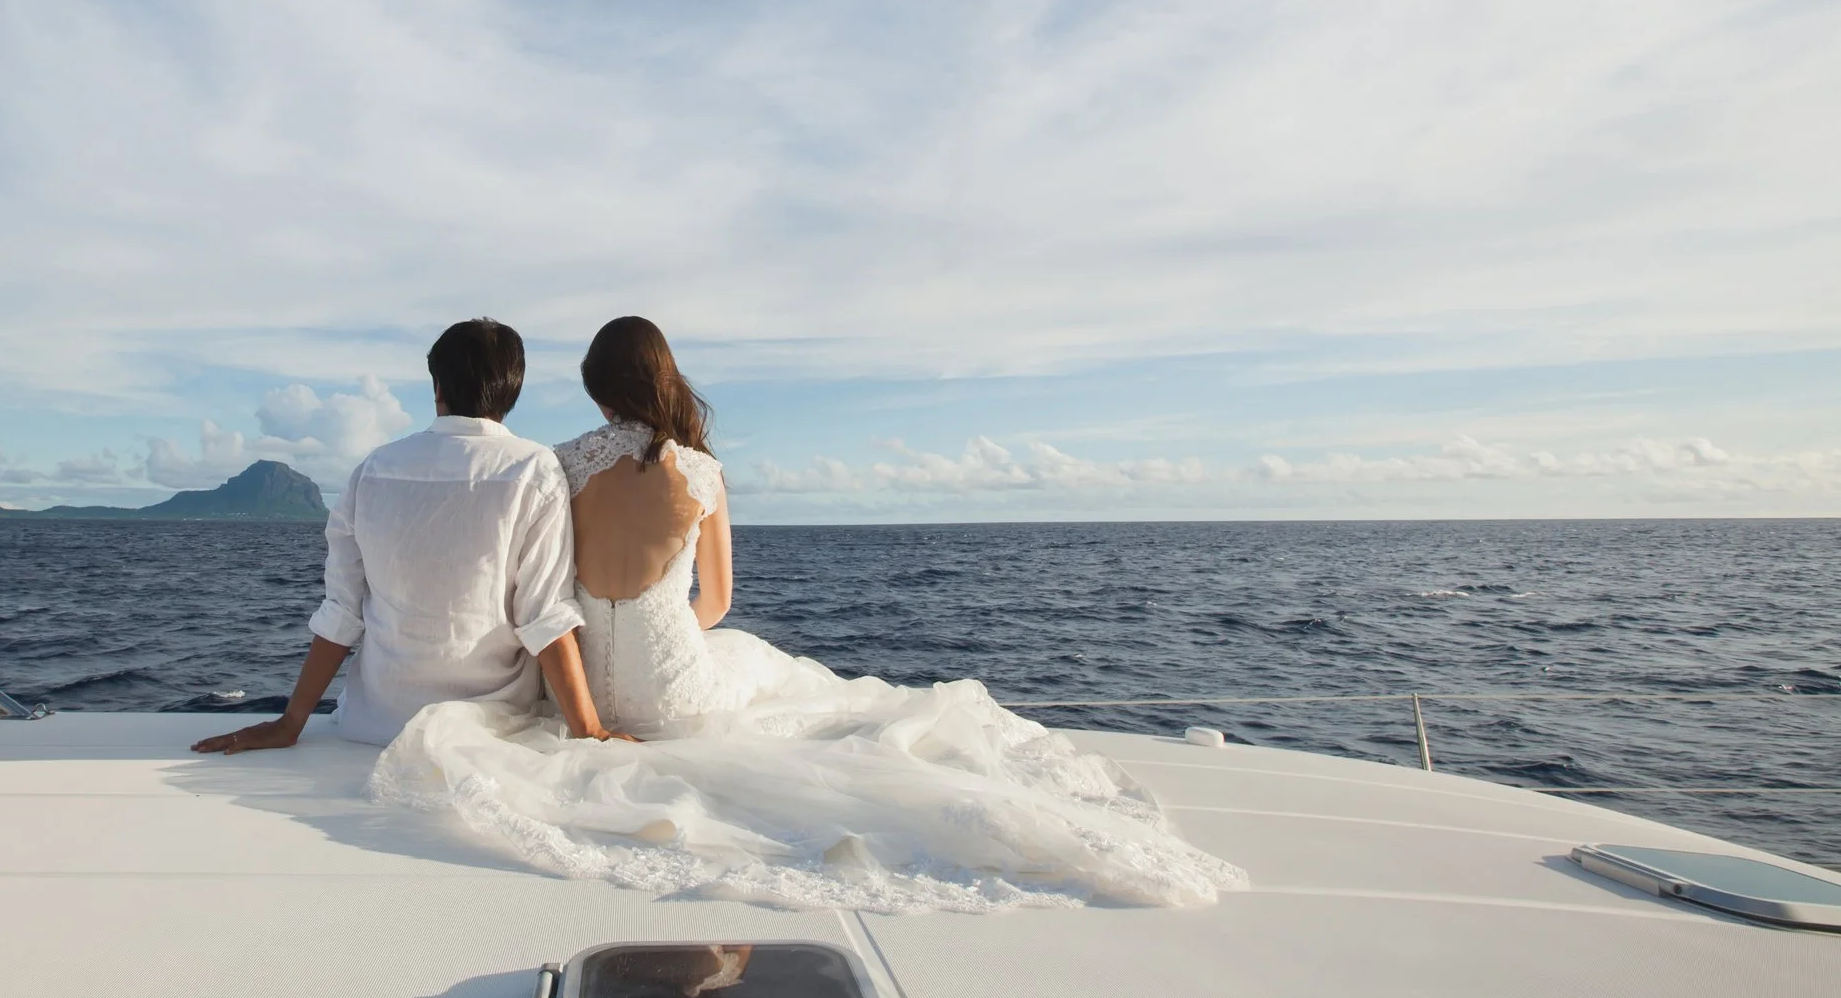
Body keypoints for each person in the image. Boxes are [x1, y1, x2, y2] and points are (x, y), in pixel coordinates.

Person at [371, 315, 1248, 913]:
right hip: (669, 694)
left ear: (598, 390)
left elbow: (547, 583)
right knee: (760, 667)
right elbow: (715, 604)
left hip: (572, 703)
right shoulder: (705, 476)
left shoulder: (557, 463)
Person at [191, 317, 630, 755]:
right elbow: (544, 616)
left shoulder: (374, 469)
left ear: (437, 387)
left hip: (376, 726)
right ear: (511, 392)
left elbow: (342, 611)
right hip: (491, 730)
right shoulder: (533, 469)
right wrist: (591, 733)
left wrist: (291, 722)